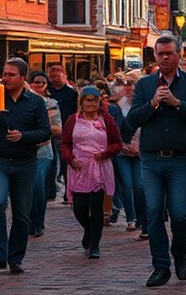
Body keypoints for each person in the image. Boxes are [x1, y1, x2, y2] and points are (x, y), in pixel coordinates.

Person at [123, 34, 186, 287]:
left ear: (179, 55)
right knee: (153, 213)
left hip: (181, 159)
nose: (163, 58)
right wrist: (153, 104)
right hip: (150, 159)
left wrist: (177, 103)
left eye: (168, 53)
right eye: (159, 54)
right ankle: (160, 267)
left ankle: (179, 254)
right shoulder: (145, 84)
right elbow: (133, 119)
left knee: (181, 214)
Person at [0, 58, 52, 274]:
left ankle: (15, 258)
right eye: (4, 73)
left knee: (21, 213)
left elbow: (45, 131)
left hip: (25, 162)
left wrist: (23, 136)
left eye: (11, 74)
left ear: (23, 78)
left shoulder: (36, 102)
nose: (6, 78)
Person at [60, 86, 122, 259]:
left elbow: (117, 143)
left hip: (99, 168)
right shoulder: (73, 120)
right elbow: (64, 143)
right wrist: (70, 158)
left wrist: (105, 153)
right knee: (79, 208)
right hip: (79, 168)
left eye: (94, 100)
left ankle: (95, 244)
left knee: (96, 208)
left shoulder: (106, 120)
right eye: (87, 100)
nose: (91, 104)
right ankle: (89, 230)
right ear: (81, 102)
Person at [28, 72, 63, 238]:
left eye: (42, 82)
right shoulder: (23, 102)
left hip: (42, 150)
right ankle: (27, 221)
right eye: (35, 82)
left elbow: (57, 128)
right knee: (24, 187)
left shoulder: (51, 103)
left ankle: (39, 221)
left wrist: (40, 131)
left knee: (37, 184)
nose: (38, 85)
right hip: (23, 150)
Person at [111, 74, 146, 235]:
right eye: (127, 84)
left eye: (133, 84)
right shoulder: (119, 105)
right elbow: (115, 128)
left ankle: (141, 218)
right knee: (126, 184)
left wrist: (139, 146)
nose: (130, 87)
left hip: (140, 150)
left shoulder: (146, 103)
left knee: (138, 185)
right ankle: (130, 219)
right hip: (122, 151)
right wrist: (124, 145)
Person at [47, 64, 79, 202]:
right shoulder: (48, 92)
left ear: (65, 76)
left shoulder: (72, 94)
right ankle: (50, 191)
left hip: (66, 130)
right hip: (50, 131)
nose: (55, 79)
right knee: (51, 161)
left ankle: (68, 191)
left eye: (58, 76)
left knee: (66, 161)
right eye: (52, 76)